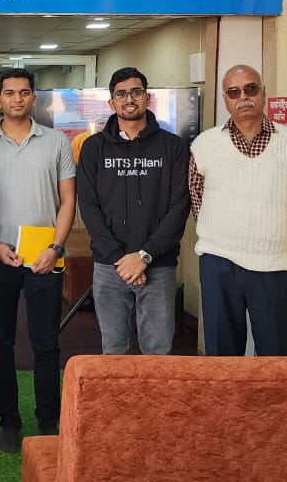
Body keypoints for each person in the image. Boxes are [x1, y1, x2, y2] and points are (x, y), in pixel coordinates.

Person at [0, 68, 76, 453]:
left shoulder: (56, 141)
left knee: (46, 342)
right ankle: (8, 421)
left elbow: (68, 199)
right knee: (0, 341)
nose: (17, 99)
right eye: (10, 93)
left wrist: (56, 248)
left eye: (24, 92)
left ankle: (48, 420)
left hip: (43, 258)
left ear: (34, 98)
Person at [190, 64, 287, 356]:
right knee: (221, 356)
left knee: (277, 357)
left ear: (263, 93)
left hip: (277, 266)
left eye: (250, 88)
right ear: (225, 99)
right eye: (233, 92)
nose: (243, 97)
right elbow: (198, 201)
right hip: (219, 263)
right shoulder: (204, 145)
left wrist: (273, 234)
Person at [78, 67, 190, 356]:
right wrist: (121, 259)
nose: (129, 99)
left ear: (147, 98)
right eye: (121, 94)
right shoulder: (93, 148)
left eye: (136, 92)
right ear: (111, 102)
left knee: (158, 351)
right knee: (113, 350)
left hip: (158, 265)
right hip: (109, 266)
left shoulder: (173, 146)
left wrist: (144, 256)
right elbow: (88, 207)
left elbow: (180, 205)